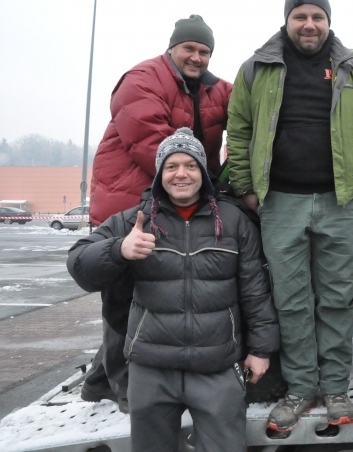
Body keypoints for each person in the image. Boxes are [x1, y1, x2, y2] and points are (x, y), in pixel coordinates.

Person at [226, 0, 353, 431]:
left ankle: (335, 387)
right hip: (281, 202)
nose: (309, 24)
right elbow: (238, 130)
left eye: (317, 16)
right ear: (286, 20)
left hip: (340, 202)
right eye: (300, 16)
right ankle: (300, 387)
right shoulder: (255, 69)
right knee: (292, 301)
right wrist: (245, 186)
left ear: (328, 21)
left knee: (336, 300)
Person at [68, 128, 280, 451]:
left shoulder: (233, 221)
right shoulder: (135, 221)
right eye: (171, 166)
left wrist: (261, 350)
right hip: (151, 371)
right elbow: (79, 263)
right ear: (159, 174)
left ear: (203, 172)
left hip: (217, 368)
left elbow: (256, 291)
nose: (181, 174)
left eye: (191, 165)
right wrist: (119, 249)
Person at [81, 15, 232, 413]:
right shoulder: (142, 80)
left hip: (169, 201)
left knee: (152, 294)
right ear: (172, 48)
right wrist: (203, 187)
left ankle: (98, 379)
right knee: (124, 297)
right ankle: (124, 385)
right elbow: (153, 146)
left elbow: (250, 108)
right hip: (128, 203)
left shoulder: (217, 90)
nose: (196, 57)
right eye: (189, 49)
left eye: (204, 51)